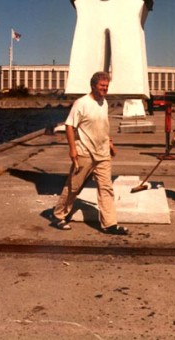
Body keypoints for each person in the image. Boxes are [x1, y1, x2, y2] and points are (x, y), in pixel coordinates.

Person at [52, 71, 129, 235]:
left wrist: (110, 142)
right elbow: (69, 126)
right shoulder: (81, 103)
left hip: (103, 154)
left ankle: (109, 224)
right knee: (74, 186)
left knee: (106, 188)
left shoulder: (104, 102)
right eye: (102, 86)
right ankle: (59, 215)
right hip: (84, 153)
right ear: (93, 85)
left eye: (107, 86)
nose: (105, 89)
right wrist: (72, 149)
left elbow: (103, 126)